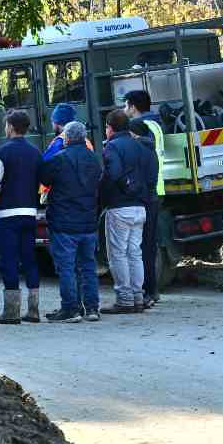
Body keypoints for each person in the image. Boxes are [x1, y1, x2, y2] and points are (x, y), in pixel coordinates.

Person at [40, 121, 102, 322]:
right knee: (88, 267)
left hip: (64, 223)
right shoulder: (94, 159)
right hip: (88, 222)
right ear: (84, 138)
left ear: (66, 138)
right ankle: (92, 308)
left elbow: (44, 178)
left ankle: (70, 309)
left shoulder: (59, 160)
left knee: (66, 268)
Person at [100, 110, 157, 314]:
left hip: (120, 206)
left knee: (118, 254)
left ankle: (124, 299)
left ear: (110, 128)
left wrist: (106, 194)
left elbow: (112, 174)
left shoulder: (112, 146)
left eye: (106, 127)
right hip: (140, 206)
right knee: (135, 253)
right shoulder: (140, 145)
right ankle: (138, 296)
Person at [0, 109, 42, 324]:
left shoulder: (1, 152)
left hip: (6, 214)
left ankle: (11, 312)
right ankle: (33, 309)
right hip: (29, 212)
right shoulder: (36, 153)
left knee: (8, 260)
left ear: (10, 127)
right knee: (30, 258)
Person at [124, 90, 165, 307]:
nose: (124, 110)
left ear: (133, 106)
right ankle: (151, 289)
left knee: (143, 246)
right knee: (149, 244)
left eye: (125, 106)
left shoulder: (140, 128)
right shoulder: (156, 123)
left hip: (146, 192)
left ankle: (149, 290)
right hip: (157, 190)